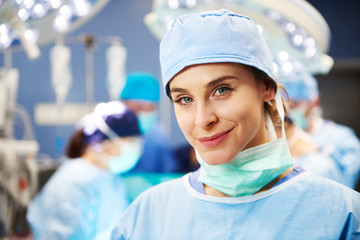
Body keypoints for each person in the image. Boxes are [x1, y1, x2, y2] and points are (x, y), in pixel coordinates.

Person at [111, 9, 360, 239]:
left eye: (222, 90)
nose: (202, 119)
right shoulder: (148, 215)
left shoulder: (342, 215)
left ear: (267, 88)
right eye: (184, 99)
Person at [27, 101, 142, 240]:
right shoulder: (74, 183)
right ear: (100, 142)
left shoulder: (111, 179)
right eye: (130, 142)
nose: (135, 149)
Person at [280, 70, 360, 189]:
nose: (288, 111)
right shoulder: (279, 139)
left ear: (314, 102)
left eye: (294, 104)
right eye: (284, 105)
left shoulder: (342, 138)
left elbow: (344, 185)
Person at [119, 71, 178, 172]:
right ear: (122, 104)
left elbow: (167, 173)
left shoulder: (158, 136)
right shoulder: (108, 133)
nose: (143, 114)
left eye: (149, 108)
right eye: (138, 107)